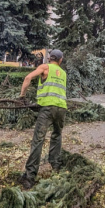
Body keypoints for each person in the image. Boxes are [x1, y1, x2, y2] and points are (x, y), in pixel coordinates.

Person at [18, 49, 67, 190]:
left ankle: (30, 176)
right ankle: (56, 166)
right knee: (57, 136)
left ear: (49, 58)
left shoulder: (45, 67)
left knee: (38, 140)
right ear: (60, 60)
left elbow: (28, 78)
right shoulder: (63, 73)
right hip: (61, 108)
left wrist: (22, 97)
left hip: (47, 109)